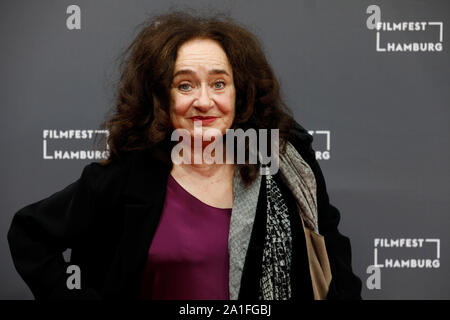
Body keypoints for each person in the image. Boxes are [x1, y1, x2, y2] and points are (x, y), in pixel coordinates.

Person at [7, 12, 362, 300]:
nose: (204, 101)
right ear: (162, 97)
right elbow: (30, 234)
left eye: (219, 84)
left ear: (241, 94)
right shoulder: (130, 174)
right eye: (185, 85)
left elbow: (329, 243)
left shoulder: (282, 163)